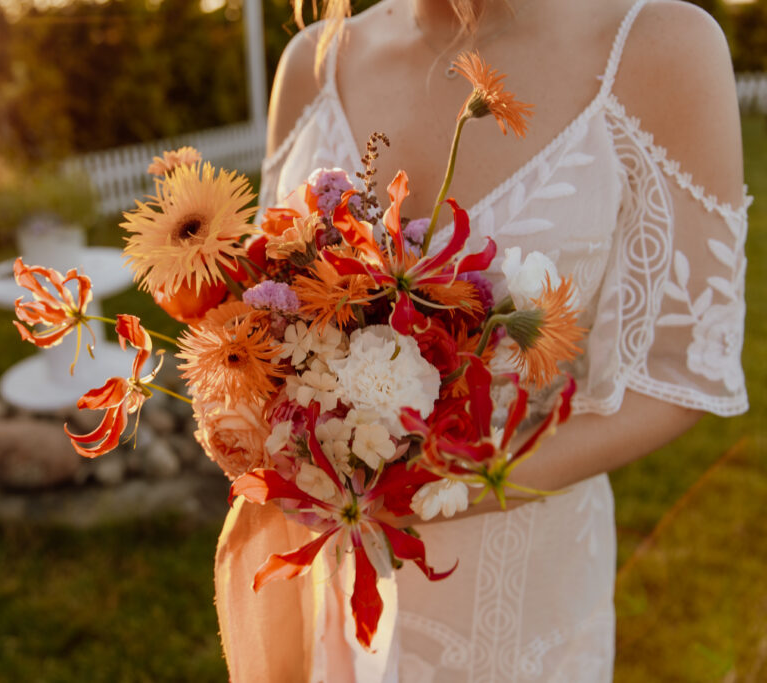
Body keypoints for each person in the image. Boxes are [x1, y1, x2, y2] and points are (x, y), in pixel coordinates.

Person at [214, 0, 750, 680]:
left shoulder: (657, 45)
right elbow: (263, 306)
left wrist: (434, 487)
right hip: (337, 581)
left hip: (519, 597)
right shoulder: (314, 63)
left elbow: (682, 372)